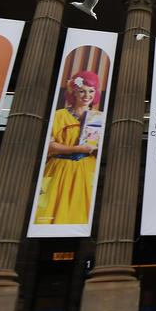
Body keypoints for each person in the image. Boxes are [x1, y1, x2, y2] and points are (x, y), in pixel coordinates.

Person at [34, 69, 105, 225]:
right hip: (58, 168)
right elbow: (48, 146)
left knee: (82, 214)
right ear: (74, 92)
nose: (87, 95)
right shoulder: (58, 115)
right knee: (48, 212)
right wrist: (77, 149)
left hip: (87, 170)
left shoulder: (99, 117)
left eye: (91, 91)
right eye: (82, 91)